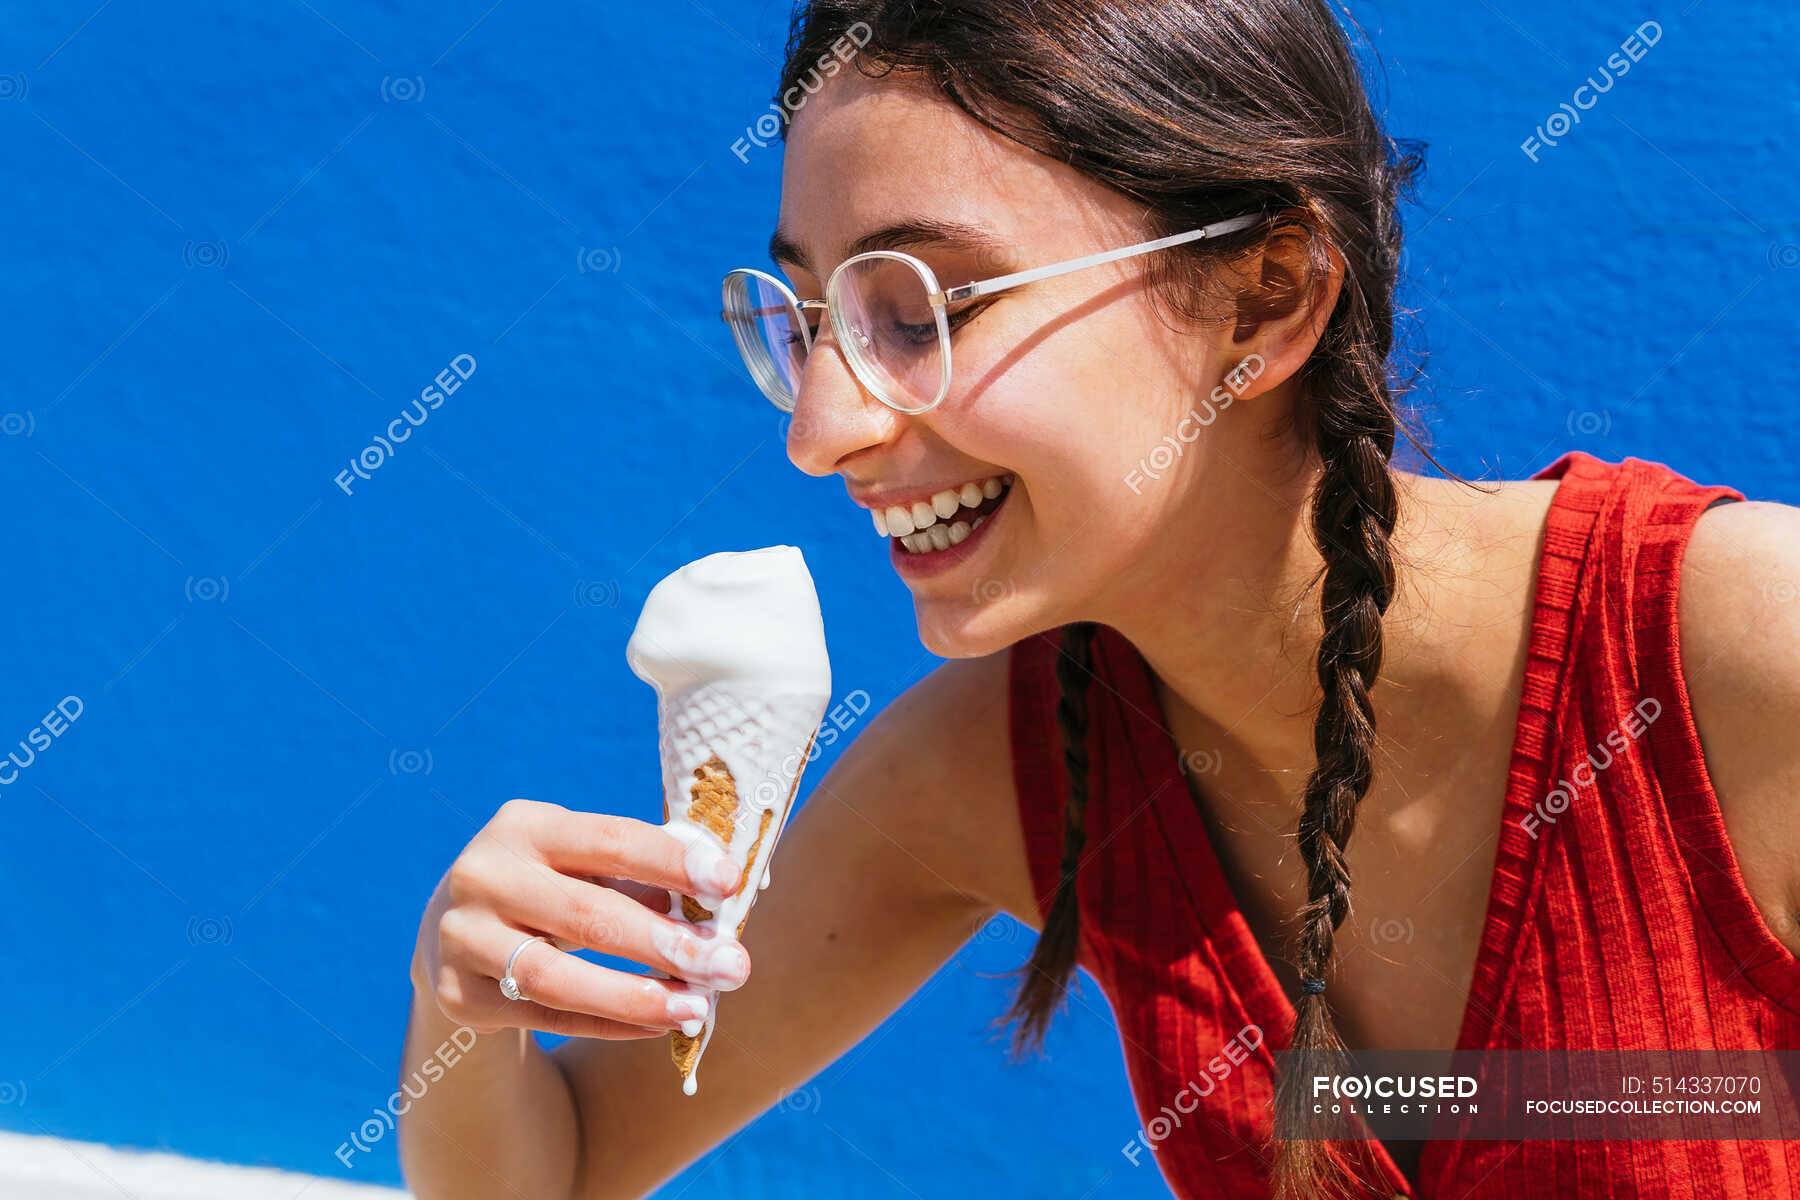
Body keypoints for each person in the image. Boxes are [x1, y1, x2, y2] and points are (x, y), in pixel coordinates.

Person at [399, 2, 1800, 1196]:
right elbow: (566, 1168)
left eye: (932, 307)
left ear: (1267, 300)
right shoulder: (1010, 768)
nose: (820, 429)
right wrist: (463, 1006)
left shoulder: (1744, 657)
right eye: (811, 316)